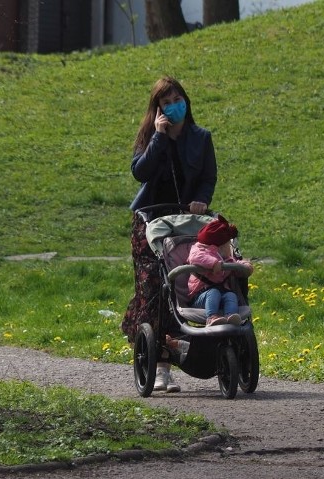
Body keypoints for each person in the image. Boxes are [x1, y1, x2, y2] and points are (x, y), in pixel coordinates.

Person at [121, 76, 217, 393]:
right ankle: (160, 366)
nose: (174, 106)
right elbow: (140, 172)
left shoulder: (201, 138)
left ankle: (190, 345)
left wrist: (201, 200)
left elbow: (208, 176)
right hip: (151, 221)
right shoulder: (151, 136)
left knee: (183, 284)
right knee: (154, 290)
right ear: (158, 110)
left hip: (185, 222)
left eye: (178, 99)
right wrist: (159, 138)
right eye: (166, 103)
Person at [187, 216, 253, 326]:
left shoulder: (226, 258)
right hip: (200, 296)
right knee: (214, 292)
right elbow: (196, 257)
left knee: (231, 296)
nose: (230, 248)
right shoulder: (198, 250)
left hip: (222, 292)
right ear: (220, 247)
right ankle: (211, 317)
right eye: (228, 245)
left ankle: (231, 316)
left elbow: (234, 263)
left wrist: (245, 265)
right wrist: (213, 263)